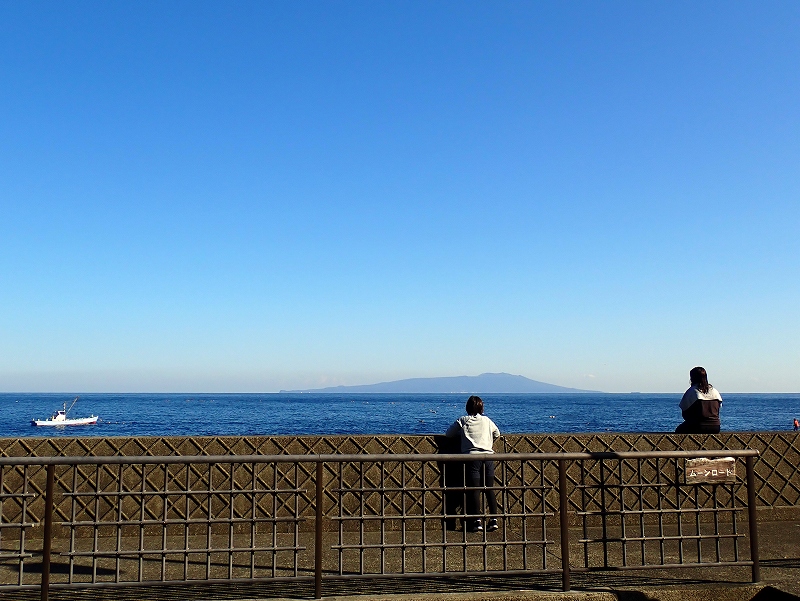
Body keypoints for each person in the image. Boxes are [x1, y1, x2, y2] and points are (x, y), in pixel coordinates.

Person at [445, 395, 500, 533]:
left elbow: (448, 434)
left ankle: (477, 522)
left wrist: (462, 436)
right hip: (488, 457)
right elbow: (497, 433)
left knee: (474, 490)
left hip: (472, 458)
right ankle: (494, 520)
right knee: (489, 489)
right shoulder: (487, 420)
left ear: (468, 407)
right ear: (481, 407)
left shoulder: (463, 420)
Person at [675, 367, 723, 434]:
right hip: (715, 427)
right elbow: (718, 410)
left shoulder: (692, 391)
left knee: (679, 430)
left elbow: (684, 413)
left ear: (692, 378)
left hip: (698, 426)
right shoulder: (715, 392)